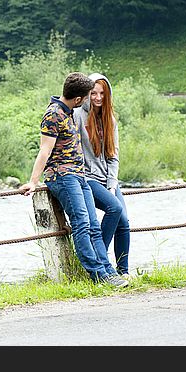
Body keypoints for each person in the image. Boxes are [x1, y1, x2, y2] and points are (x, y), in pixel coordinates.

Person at [20, 72, 128, 288]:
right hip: (63, 176)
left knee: (93, 226)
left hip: (79, 176)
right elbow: (44, 150)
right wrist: (33, 181)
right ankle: (98, 275)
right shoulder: (53, 115)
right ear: (79, 99)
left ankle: (108, 271)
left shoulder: (68, 112)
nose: (91, 100)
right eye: (88, 96)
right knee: (81, 224)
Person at [74, 72, 131, 278]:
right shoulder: (78, 115)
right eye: (93, 93)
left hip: (107, 179)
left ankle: (123, 271)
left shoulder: (110, 120)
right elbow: (75, 150)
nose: (98, 97)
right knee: (114, 208)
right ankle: (100, 261)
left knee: (124, 222)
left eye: (102, 94)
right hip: (87, 178)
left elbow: (113, 156)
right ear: (87, 94)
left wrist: (112, 184)